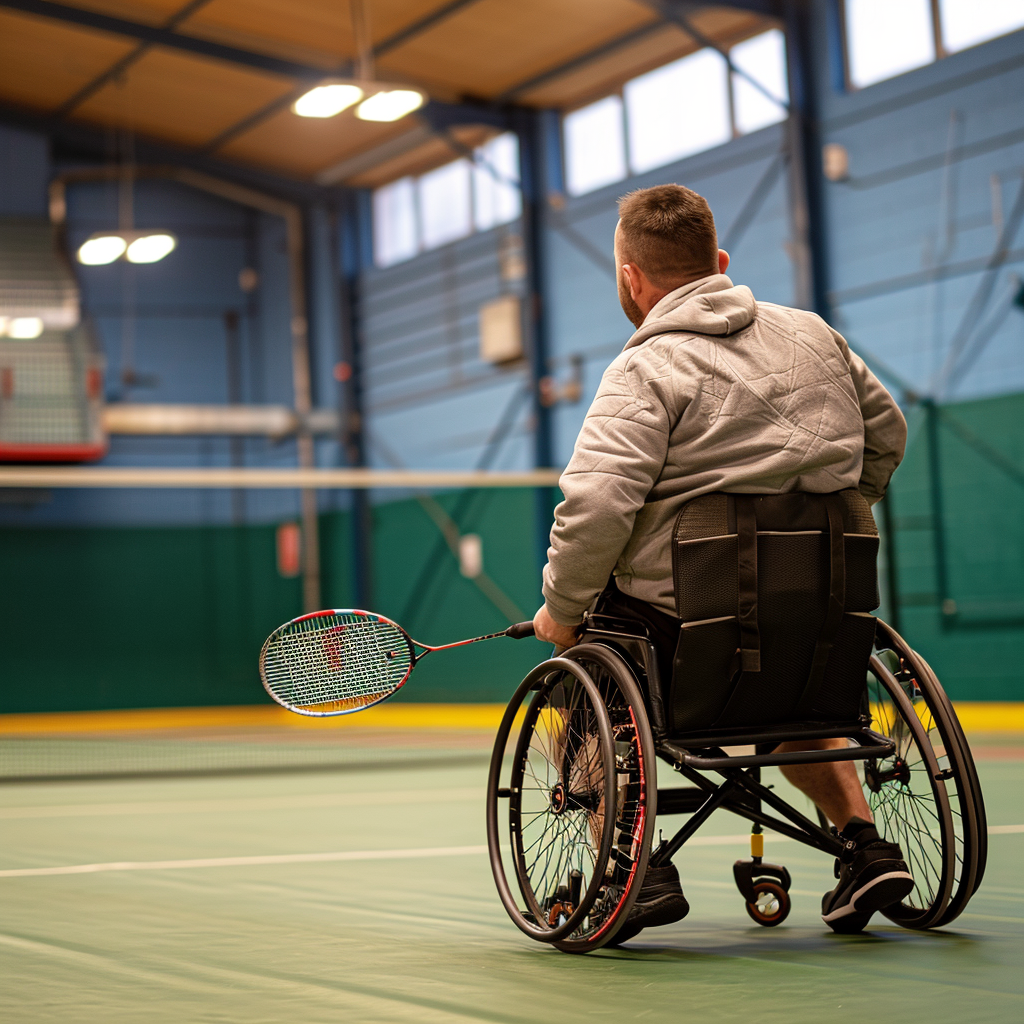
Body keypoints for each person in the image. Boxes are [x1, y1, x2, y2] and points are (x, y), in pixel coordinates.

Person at [531, 183, 913, 936]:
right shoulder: (815, 337)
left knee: (584, 680)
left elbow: (597, 510)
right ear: (720, 263)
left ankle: (632, 865)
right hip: (820, 622)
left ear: (631, 280)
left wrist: (562, 611)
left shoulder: (641, 373)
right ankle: (864, 846)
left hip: (689, 640)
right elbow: (887, 437)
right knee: (801, 694)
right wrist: (831, 512)